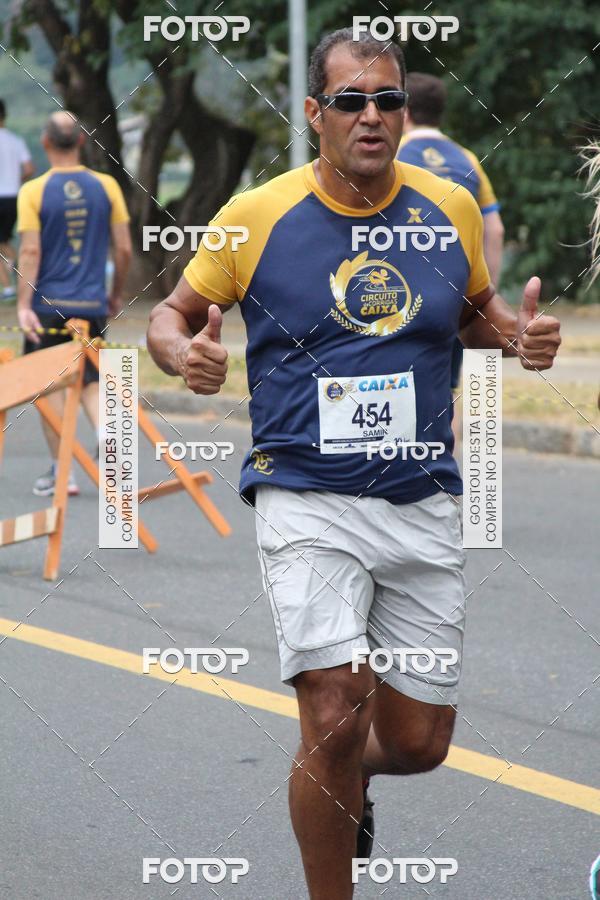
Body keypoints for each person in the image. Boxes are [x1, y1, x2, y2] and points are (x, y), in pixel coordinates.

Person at [147, 28, 561, 900]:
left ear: (405, 111)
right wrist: (184, 353)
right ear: (315, 112)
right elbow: (168, 316)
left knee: (417, 742)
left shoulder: (447, 207)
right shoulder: (256, 215)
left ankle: (350, 775)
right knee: (333, 710)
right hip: (304, 493)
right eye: (350, 101)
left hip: (420, 495)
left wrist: (517, 337)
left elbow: (473, 313)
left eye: (388, 100)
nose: (371, 116)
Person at [17, 111, 132, 496]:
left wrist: (23, 305)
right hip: (91, 303)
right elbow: (124, 248)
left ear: (45, 142)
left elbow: (30, 251)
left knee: (49, 385)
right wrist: (114, 293)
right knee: (91, 379)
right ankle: (106, 439)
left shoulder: (34, 191)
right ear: (82, 141)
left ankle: (61, 472)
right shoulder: (107, 186)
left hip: (48, 305)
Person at [398, 72, 505, 419]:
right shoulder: (467, 158)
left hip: (405, 296)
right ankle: (446, 453)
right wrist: (485, 296)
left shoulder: (393, 154)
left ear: (404, 111)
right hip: (457, 295)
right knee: (447, 390)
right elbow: (495, 229)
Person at [0, 99, 34, 301]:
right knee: (4, 240)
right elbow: (29, 168)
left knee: (2, 243)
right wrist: (15, 180)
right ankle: (16, 275)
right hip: (14, 197)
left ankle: (9, 287)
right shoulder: (16, 141)